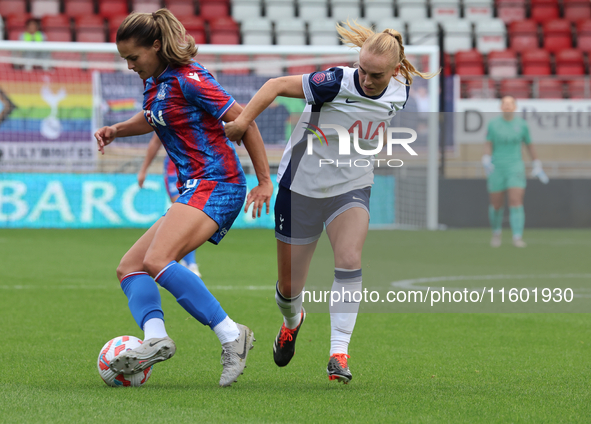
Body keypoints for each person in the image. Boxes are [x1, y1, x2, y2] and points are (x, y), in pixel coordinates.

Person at [225, 20, 436, 384]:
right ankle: (293, 322)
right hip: (300, 186)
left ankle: (339, 352)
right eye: (363, 71)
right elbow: (275, 85)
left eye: (376, 75)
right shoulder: (335, 81)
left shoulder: (401, 90)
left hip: (352, 185)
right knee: (289, 289)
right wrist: (243, 121)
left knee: (350, 259)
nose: (367, 80)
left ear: (396, 71)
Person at [94, 9, 273, 387]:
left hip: (218, 182)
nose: (129, 66)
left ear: (156, 46)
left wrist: (264, 181)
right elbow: (152, 117)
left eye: (133, 57)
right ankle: (155, 338)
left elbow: (245, 121)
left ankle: (231, 335)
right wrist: (116, 130)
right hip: (195, 185)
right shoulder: (156, 82)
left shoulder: (191, 78)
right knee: (131, 267)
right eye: (124, 59)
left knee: (158, 260)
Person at [482, 96, 548, 248]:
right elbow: (488, 143)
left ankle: (517, 236)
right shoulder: (493, 124)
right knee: (496, 205)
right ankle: (496, 233)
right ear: (500, 107)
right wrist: (486, 158)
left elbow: (529, 145)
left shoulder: (522, 125)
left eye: (510, 104)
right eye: (504, 104)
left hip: (515, 166)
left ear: (515, 107)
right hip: (497, 167)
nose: (507, 106)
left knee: (516, 201)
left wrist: (536, 163)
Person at [137, 133, 201, 277]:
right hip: (174, 170)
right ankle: (189, 263)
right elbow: (155, 142)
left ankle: (184, 260)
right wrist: (143, 170)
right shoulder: (168, 113)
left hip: (197, 169)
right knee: (185, 215)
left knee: (189, 217)